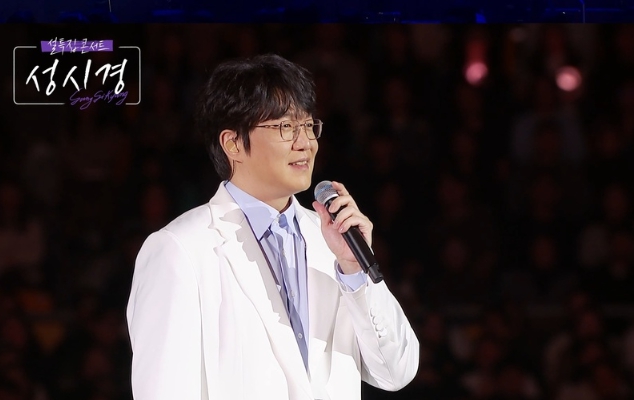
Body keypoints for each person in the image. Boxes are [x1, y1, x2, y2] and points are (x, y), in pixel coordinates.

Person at [126, 54, 419, 400]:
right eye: (285, 127)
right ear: (233, 143)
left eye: (308, 125)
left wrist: (356, 272)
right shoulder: (180, 249)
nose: (305, 142)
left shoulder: (332, 239)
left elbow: (396, 370)